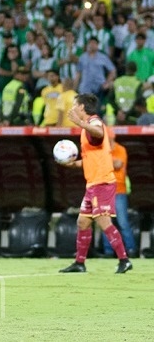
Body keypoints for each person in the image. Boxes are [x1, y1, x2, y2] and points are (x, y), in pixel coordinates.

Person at [58, 94, 133, 274]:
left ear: (82, 107)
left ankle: (124, 260)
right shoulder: (87, 129)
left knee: (103, 221)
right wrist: (72, 163)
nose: (73, 108)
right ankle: (79, 263)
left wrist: (79, 123)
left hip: (102, 182)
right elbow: (91, 158)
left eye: (75, 104)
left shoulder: (94, 122)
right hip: (93, 183)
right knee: (83, 221)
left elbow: (99, 133)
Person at [101, 134, 137, 257]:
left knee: (122, 222)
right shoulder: (102, 150)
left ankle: (131, 249)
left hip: (119, 190)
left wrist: (105, 159)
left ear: (112, 138)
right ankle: (108, 251)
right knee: (106, 221)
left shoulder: (120, 149)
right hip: (105, 190)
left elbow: (118, 164)